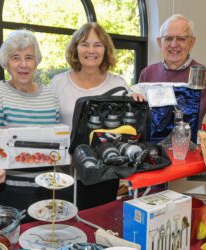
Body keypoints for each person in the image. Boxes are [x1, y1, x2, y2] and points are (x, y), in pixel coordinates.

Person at [51, 22, 144, 210]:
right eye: (84, 44)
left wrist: (136, 102)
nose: (91, 50)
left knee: (98, 221)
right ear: (75, 48)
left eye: (97, 44)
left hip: (103, 172)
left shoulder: (118, 84)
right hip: (64, 172)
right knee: (64, 226)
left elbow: (129, 128)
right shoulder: (58, 83)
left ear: (105, 50)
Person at [0, 29, 61, 219]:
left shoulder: (50, 95)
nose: (23, 64)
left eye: (29, 57)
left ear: (36, 61)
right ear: (7, 63)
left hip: (47, 189)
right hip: (7, 190)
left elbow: (56, 144)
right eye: (16, 58)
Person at [139, 14, 206, 129]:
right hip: (151, 146)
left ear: (192, 43)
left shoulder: (205, 75)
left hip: (189, 146)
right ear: (160, 42)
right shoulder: (147, 74)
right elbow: (140, 120)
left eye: (181, 39)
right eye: (169, 38)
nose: (174, 45)